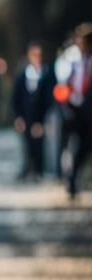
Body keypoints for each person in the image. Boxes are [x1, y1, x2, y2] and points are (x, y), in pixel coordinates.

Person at [10, 41, 55, 182]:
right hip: (25, 116)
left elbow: (49, 99)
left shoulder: (48, 74)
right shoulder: (22, 73)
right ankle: (25, 169)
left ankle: (38, 170)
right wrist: (18, 117)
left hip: (40, 116)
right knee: (24, 144)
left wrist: (42, 121)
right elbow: (15, 98)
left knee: (39, 145)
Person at [57, 23, 92, 199]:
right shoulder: (69, 58)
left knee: (85, 146)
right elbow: (61, 83)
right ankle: (69, 177)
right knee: (70, 144)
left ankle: (76, 173)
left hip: (88, 108)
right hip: (70, 107)